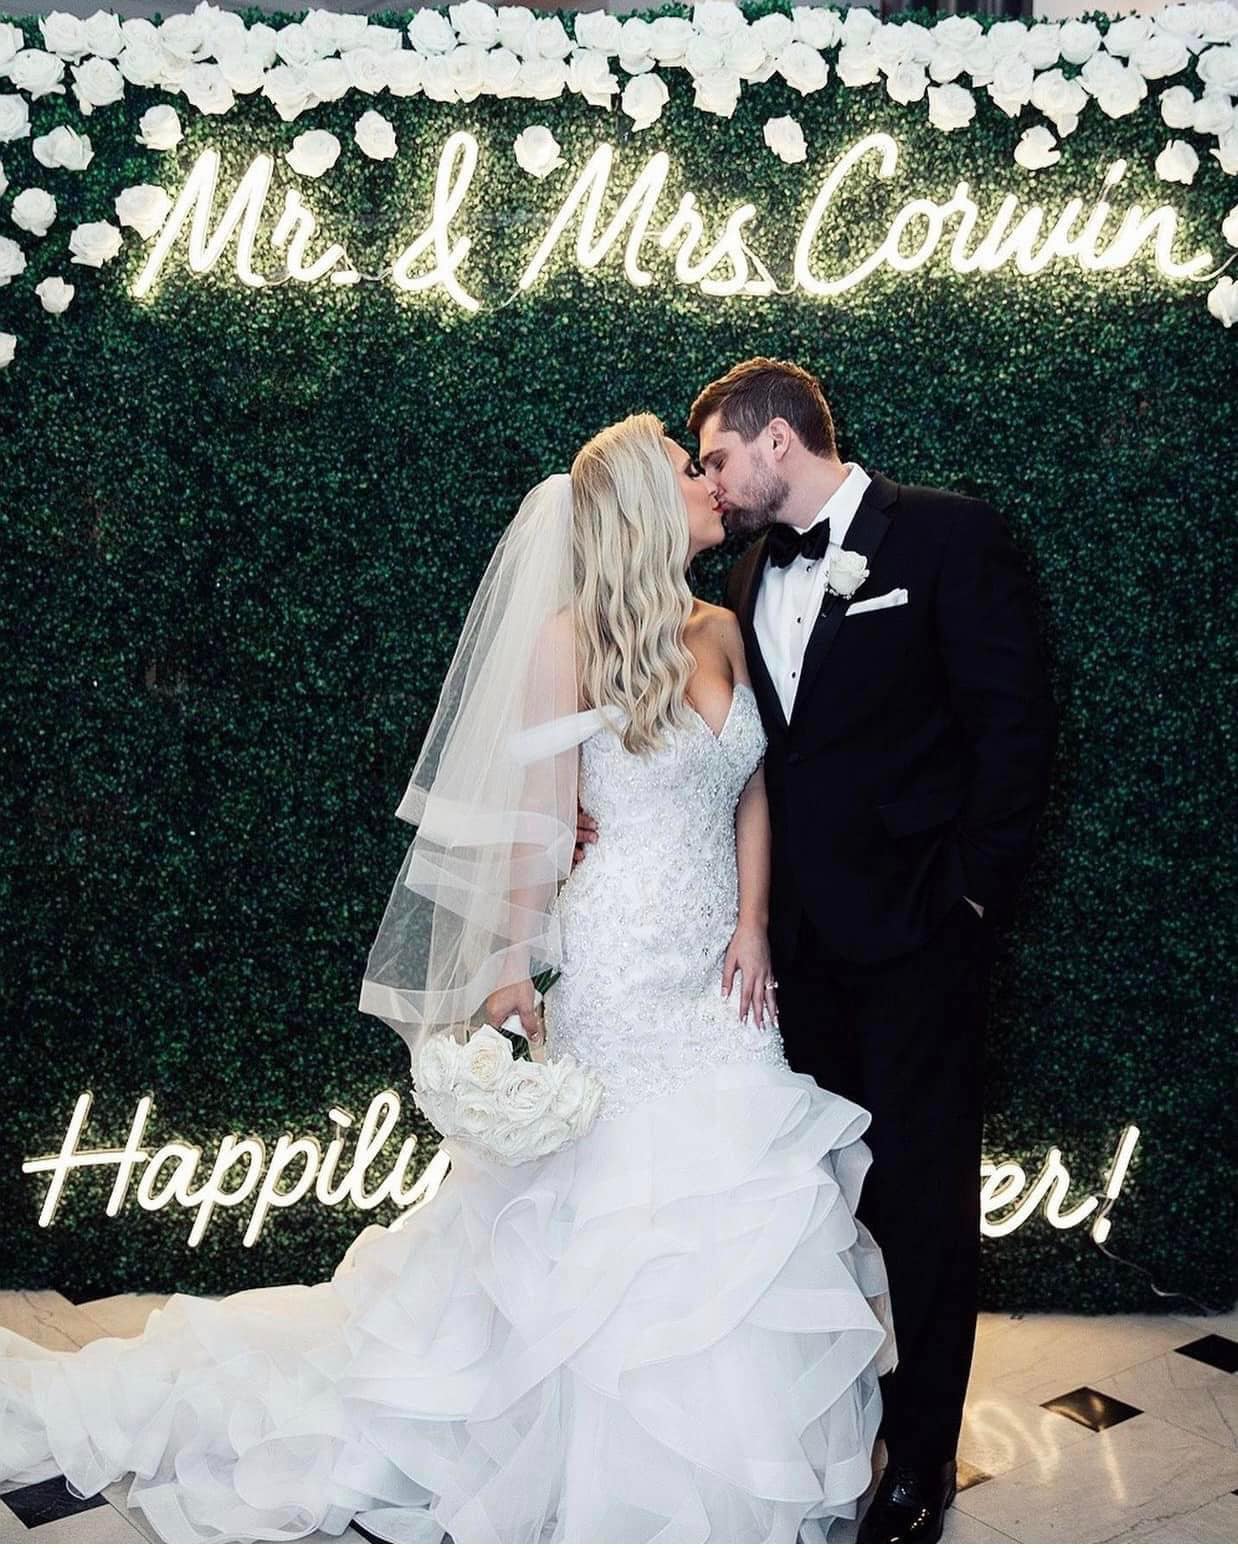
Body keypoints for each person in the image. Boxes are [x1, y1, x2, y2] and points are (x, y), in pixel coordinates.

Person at [0, 412, 896, 1545]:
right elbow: (536, 825)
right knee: (616, 1214)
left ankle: (739, 1467)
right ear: (638, 502)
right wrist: (511, 966)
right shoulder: (567, 642)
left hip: (720, 975)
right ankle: (605, 1473)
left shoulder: (723, 624)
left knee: (743, 1197)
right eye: (686, 468)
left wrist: (753, 927)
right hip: (618, 964)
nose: (708, 481)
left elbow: (752, 787)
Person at [686, 358, 1057, 1543]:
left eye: (718, 458)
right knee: (812, 1204)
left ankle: (920, 1461)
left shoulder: (947, 536)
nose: (711, 482)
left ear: (778, 441)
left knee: (924, 1204)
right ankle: (833, 1433)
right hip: (792, 955)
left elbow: (1013, 729)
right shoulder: (744, 575)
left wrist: (969, 903)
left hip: (917, 942)